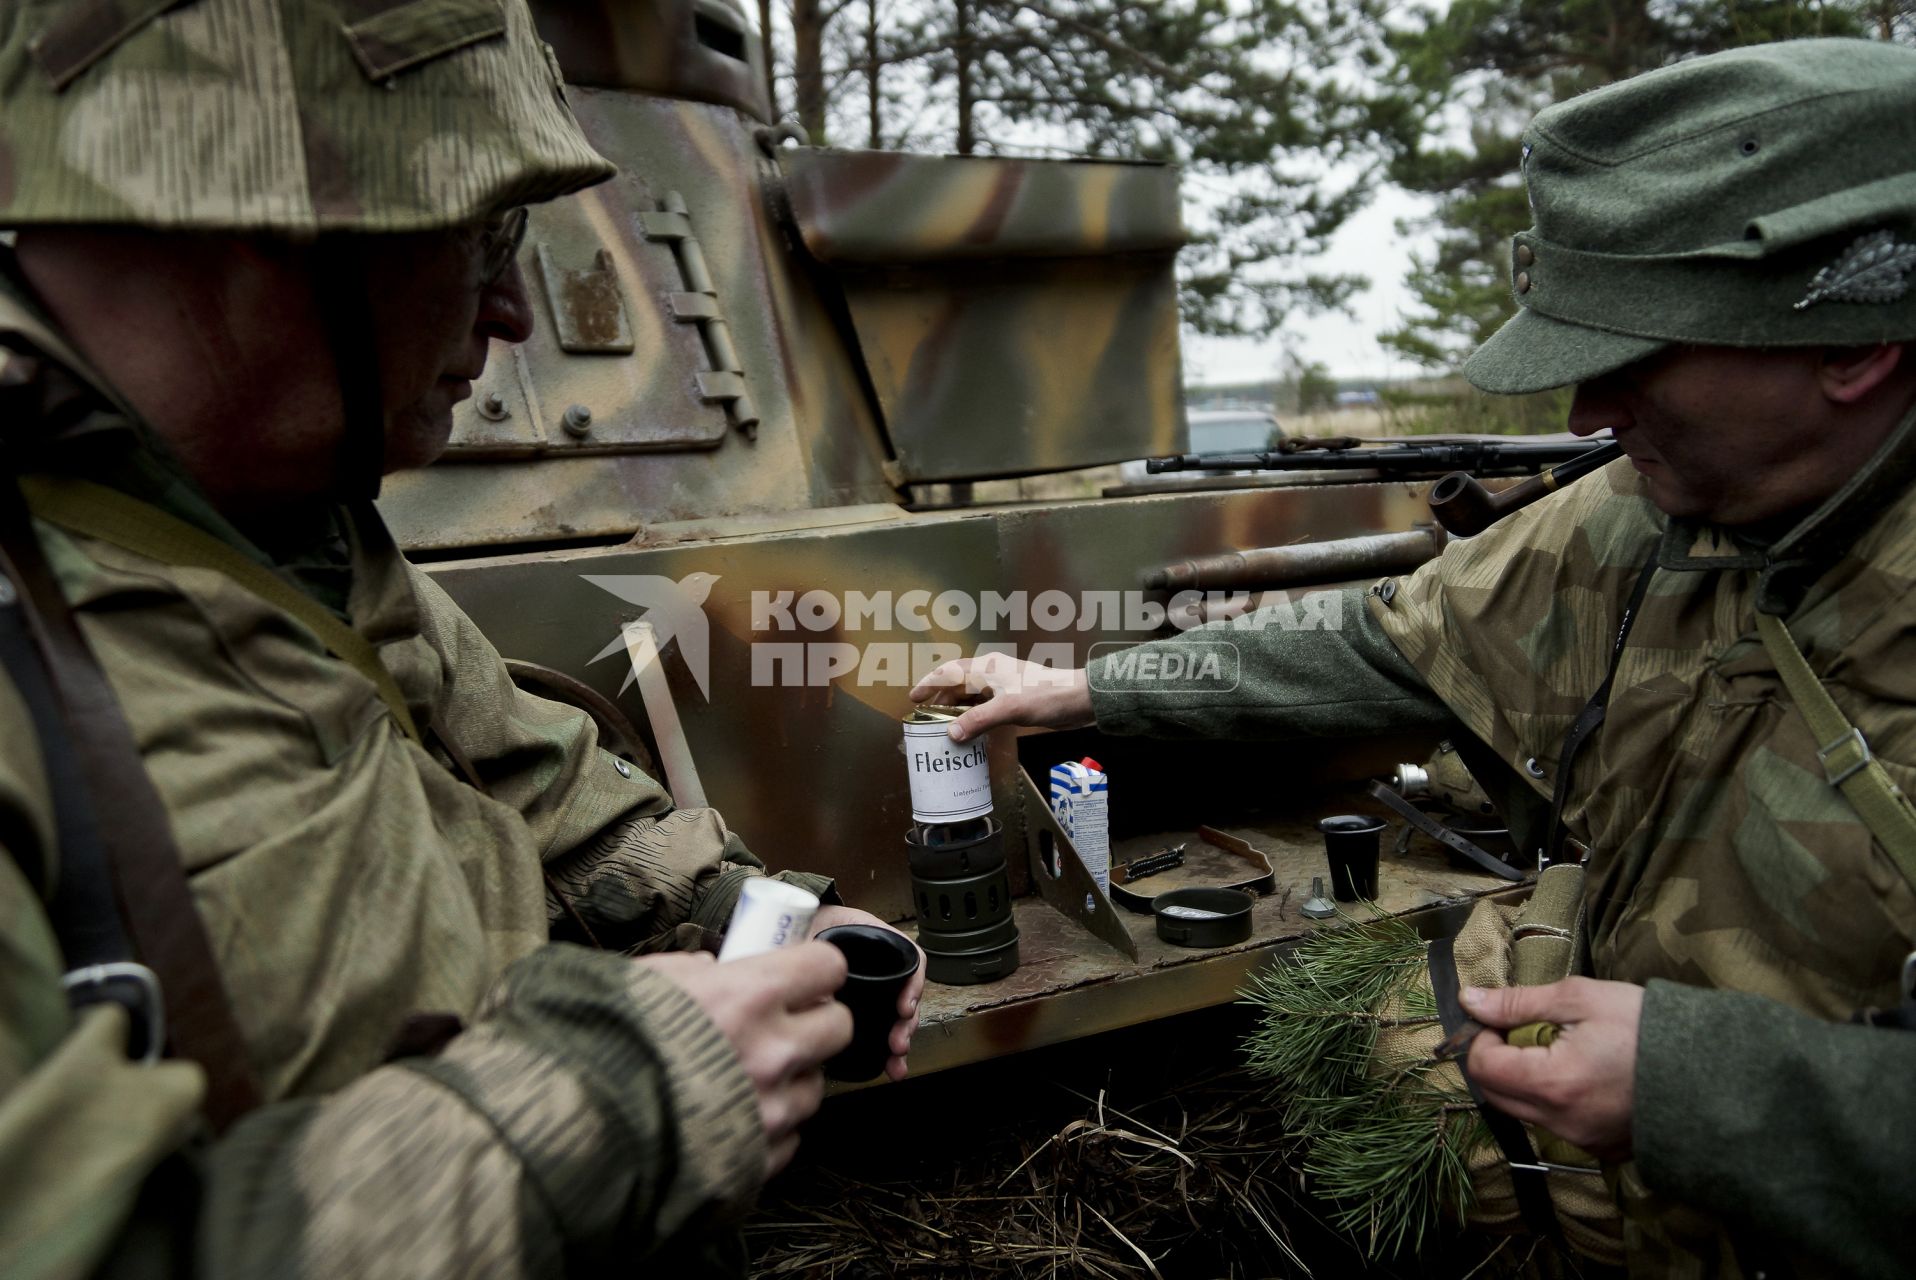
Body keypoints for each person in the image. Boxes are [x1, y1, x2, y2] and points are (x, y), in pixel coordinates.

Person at [914, 38, 1916, 1278]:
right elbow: (1386, 638)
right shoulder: (1654, 503)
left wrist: (1696, 1088)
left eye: (1629, 358)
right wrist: (1086, 686)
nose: (1579, 417)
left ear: (1849, 350)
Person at [0, 0, 921, 1275]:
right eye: (477, 235)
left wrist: (749, 922)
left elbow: (535, 787)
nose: (512, 312)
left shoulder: (287, 522)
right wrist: (610, 1100)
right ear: (266, 231)